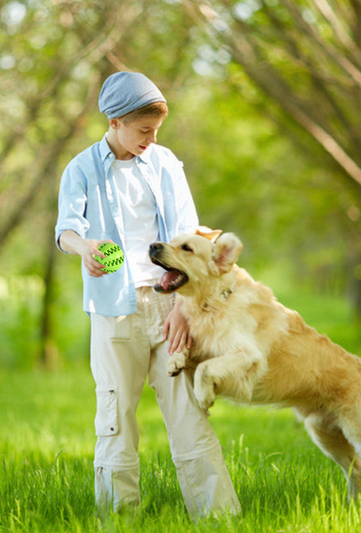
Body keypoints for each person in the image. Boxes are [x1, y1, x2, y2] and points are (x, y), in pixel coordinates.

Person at [54, 72, 240, 518]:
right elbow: (66, 230)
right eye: (144, 131)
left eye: (156, 131)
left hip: (169, 304)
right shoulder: (81, 168)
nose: (151, 140)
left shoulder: (165, 163)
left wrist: (183, 306)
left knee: (189, 413)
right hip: (114, 310)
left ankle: (218, 519)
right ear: (115, 121)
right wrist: (85, 248)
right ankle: (118, 520)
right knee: (115, 417)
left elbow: (188, 235)